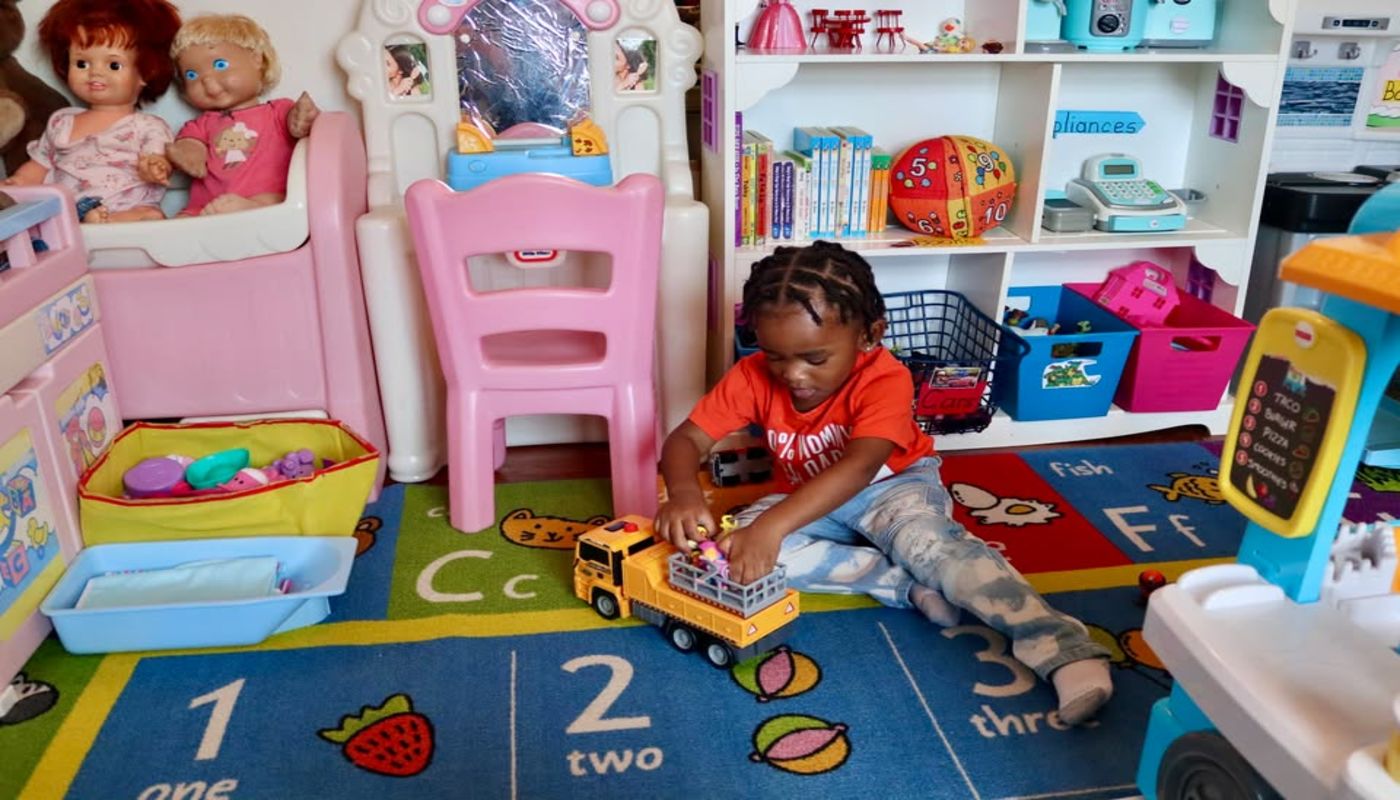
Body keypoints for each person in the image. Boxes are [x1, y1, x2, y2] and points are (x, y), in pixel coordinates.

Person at [656, 241, 1114, 725]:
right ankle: (902, 584)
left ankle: (1065, 650)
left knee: (934, 548)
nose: (792, 374)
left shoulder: (886, 378)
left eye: (814, 358)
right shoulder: (751, 375)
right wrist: (684, 493)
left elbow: (859, 467)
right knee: (732, 556)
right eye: (775, 356)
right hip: (807, 499)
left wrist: (770, 526)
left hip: (893, 486)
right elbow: (686, 439)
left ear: (869, 335)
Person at [3, 0, 181, 223]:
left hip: (128, 211)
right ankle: (90, 219)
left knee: (150, 216)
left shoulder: (148, 126)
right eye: (82, 64)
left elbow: (158, 160)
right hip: (69, 218)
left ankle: (110, 220)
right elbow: (40, 165)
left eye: (114, 65)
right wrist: (17, 183)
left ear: (147, 71)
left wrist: (155, 167)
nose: (95, 73)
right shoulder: (62, 121)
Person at [149, 14, 319, 216]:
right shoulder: (200, 125)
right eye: (192, 75)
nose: (207, 81)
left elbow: (297, 125)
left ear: (256, 59)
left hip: (265, 200)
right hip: (205, 208)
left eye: (220, 65)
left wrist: (302, 118)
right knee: (181, 220)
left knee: (275, 200)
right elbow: (190, 143)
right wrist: (187, 154)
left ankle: (249, 209)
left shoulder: (277, 111)